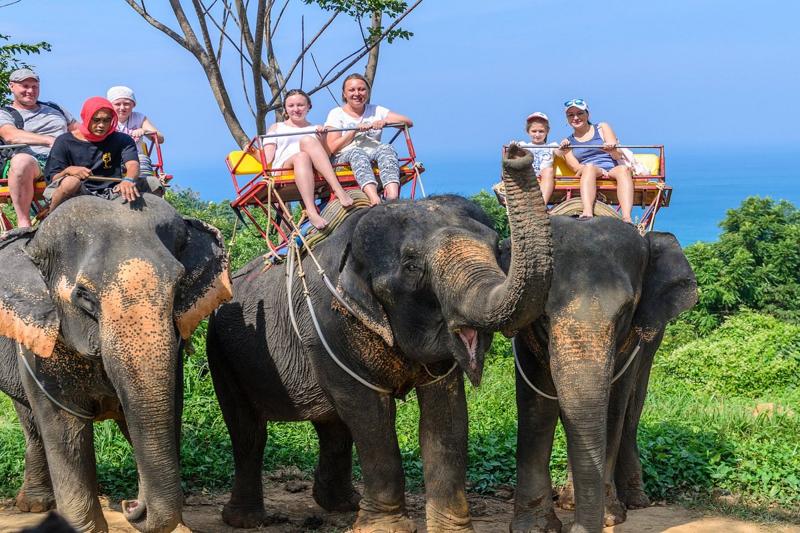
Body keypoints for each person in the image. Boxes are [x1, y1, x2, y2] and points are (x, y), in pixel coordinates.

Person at [262, 89, 353, 229]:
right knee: (302, 154)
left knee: (307, 143)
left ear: (308, 107)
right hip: (284, 168)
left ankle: (337, 189)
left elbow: (326, 155)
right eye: (291, 106)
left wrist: (323, 139)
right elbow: (267, 158)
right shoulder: (277, 127)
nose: (296, 109)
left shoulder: (315, 128)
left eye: (300, 105)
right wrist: (252, 152)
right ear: (285, 108)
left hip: (312, 168)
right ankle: (311, 210)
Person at [0, 68, 77, 227]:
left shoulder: (56, 109)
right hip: (34, 162)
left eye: (34, 86)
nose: (30, 91)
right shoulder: (5, 113)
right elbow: (10, 135)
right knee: (21, 161)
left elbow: (80, 131)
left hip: (66, 159)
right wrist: (49, 140)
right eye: (25, 86)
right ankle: (24, 224)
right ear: (11, 86)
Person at [324, 73, 413, 206]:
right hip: (344, 157)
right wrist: (353, 131)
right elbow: (332, 148)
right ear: (344, 94)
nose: (357, 93)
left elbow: (408, 122)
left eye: (361, 89)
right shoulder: (336, 113)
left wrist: (385, 121)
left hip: (372, 154)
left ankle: (392, 196)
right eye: (352, 90)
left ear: (367, 92)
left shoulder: (376, 110)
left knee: (386, 148)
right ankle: (373, 197)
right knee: (357, 153)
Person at [43, 96, 140, 212]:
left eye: (107, 120)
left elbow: (133, 164)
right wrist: (68, 170)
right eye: (96, 120)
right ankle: (50, 216)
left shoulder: (123, 139)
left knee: (153, 183)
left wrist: (128, 180)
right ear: (86, 118)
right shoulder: (64, 141)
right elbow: (53, 178)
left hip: (113, 190)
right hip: (79, 191)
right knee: (70, 182)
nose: (101, 125)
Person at [559, 98, 634, 222]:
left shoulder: (602, 127)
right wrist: (591, 169)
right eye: (571, 115)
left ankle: (627, 217)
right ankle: (587, 212)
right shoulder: (567, 142)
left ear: (587, 114)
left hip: (612, 168)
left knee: (624, 170)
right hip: (589, 170)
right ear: (567, 119)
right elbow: (576, 167)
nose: (575, 118)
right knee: (589, 168)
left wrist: (611, 150)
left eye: (580, 113)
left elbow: (617, 155)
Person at [106, 85, 164, 176]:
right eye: (117, 104)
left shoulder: (138, 118)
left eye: (126, 104)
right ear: (110, 105)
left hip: (136, 157)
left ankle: (144, 181)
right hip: (113, 156)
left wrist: (144, 130)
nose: (122, 108)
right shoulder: (106, 119)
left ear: (133, 105)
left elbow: (160, 139)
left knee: (142, 162)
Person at [519, 111, 560, 205]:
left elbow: (561, 152)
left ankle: (541, 204)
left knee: (548, 170)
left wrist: (564, 147)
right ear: (528, 131)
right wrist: (514, 147)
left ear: (547, 131)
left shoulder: (552, 146)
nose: (537, 135)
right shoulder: (524, 146)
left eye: (541, 131)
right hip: (528, 175)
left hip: (544, 177)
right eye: (534, 131)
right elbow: (513, 154)